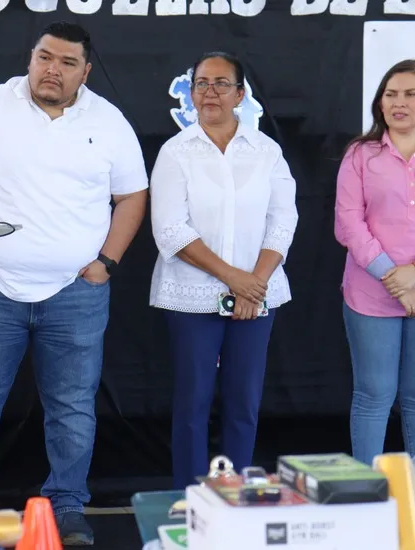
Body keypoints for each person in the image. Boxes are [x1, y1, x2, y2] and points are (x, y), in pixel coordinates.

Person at [0, 21, 148, 546]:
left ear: (85, 73)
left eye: (67, 63)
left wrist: (107, 262)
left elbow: (132, 195)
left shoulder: (109, 121)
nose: (53, 69)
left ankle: (68, 507)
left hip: (76, 293)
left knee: (73, 408)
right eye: (45, 57)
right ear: (31, 58)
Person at [148, 51, 298, 490]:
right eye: (201, 83)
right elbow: (171, 230)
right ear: (191, 92)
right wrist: (236, 280)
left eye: (220, 84)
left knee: (243, 404)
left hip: (258, 295)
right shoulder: (175, 153)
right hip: (191, 296)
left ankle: (234, 500)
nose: (210, 92)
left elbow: (283, 220)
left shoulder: (267, 151)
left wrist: (255, 286)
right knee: (192, 405)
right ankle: (191, 500)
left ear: (240, 94)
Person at [334, 59, 415, 466]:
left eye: (410, 94)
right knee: (374, 395)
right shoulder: (360, 155)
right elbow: (348, 223)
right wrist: (393, 276)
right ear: (380, 102)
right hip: (371, 293)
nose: (399, 103)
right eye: (391, 94)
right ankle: (367, 494)